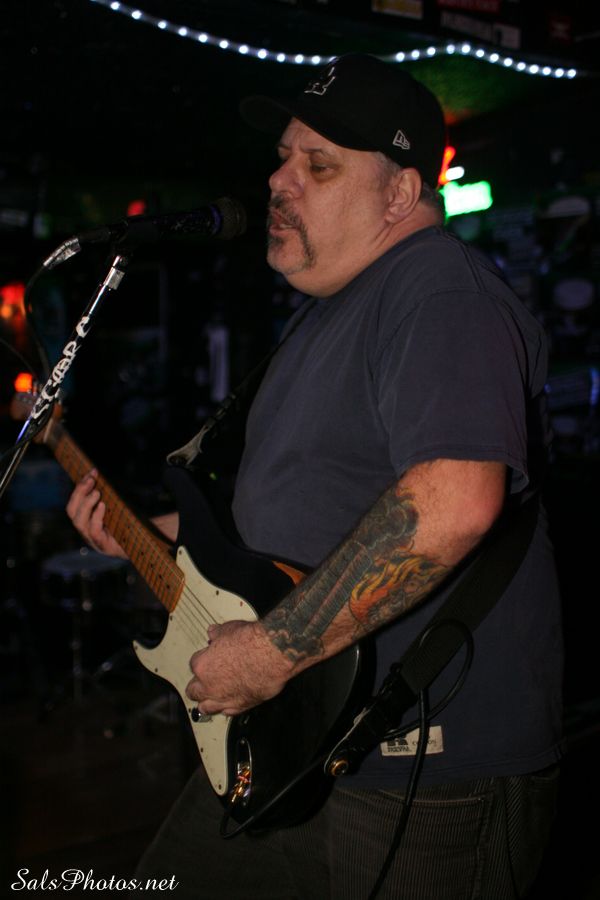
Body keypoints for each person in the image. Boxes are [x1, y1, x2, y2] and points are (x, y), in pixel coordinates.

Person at [66, 54, 563, 899]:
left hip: (420, 765)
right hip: (291, 735)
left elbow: (452, 502)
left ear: (400, 194)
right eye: (283, 158)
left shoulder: (437, 288)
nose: (278, 179)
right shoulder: (320, 317)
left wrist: (268, 652)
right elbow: (301, 512)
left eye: (319, 165)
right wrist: (150, 535)